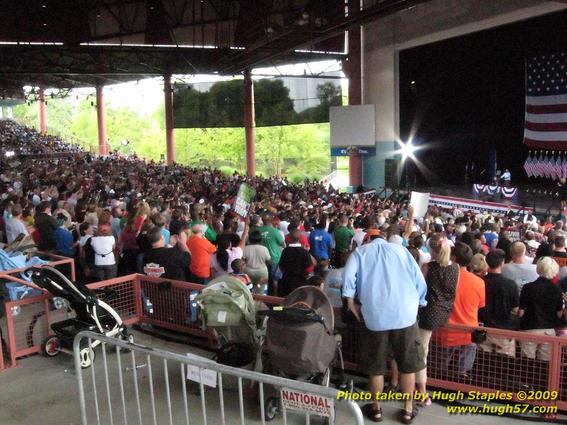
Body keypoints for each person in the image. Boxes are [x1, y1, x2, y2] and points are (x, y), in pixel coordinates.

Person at [343, 233, 427, 424]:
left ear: (367, 240)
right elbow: (419, 280)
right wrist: (419, 302)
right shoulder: (402, 251)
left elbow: (348, 277)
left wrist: (349, 300)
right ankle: (407, 410)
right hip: (405, 315)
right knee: (408, 367)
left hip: (375, 316)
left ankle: (377, 410)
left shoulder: (360, 253)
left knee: (376, 367)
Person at [416, 234, 458, 405]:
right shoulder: (455, 268)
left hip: (428, 314)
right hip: (445, 313)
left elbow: (418, 288)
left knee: (421, 353)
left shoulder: (428, 267)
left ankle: (422, 393)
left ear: (432, 251)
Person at [438, 242, 485, 378]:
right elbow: (480, 305)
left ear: (452, 258)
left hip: (446, 331)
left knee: (439, 373)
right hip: (468, 333)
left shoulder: (443, 276)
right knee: (462, 374)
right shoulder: (479, 282)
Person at [518, 257, 564, 361]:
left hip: (529, 328)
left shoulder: (527, 287)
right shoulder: (556, 289)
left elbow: (520, 313)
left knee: (527, 364)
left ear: (538, 268)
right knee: (544, 366)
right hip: (548, 330)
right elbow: (559, 313)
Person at [479, 249, 519, 358]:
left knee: (482, 364)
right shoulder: (510, 284)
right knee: (504, 368)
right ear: (502, 263)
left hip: (483, 329)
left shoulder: (480, 281)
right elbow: (516, 309)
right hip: (504, 332)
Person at [278, 228, 315, 297]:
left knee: (283, 304)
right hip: (301, 283)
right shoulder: (304, 252)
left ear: (289, 238)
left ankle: (278, 308)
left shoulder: (285, 251)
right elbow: (309, 269)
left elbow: (281, 266)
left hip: (286, 282)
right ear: (300, 238)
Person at [256, 212, 285, 294]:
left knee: (262, 279)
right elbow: (283, 244)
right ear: (271, 220)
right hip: (274, 259)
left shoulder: (257, 230)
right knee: (274, 280)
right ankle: (273, 300)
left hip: (261, 259)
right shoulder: (275, 231)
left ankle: (262, 297)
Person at [243, 229, 272, 294]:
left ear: (250, 239)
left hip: (248, 272)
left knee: (249, 291)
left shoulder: (246, 248)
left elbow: (243, 261)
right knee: (260, 290)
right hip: (262, 272)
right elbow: (269, 262)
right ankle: (259, 301)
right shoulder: (264, 249)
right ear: (260, 239)